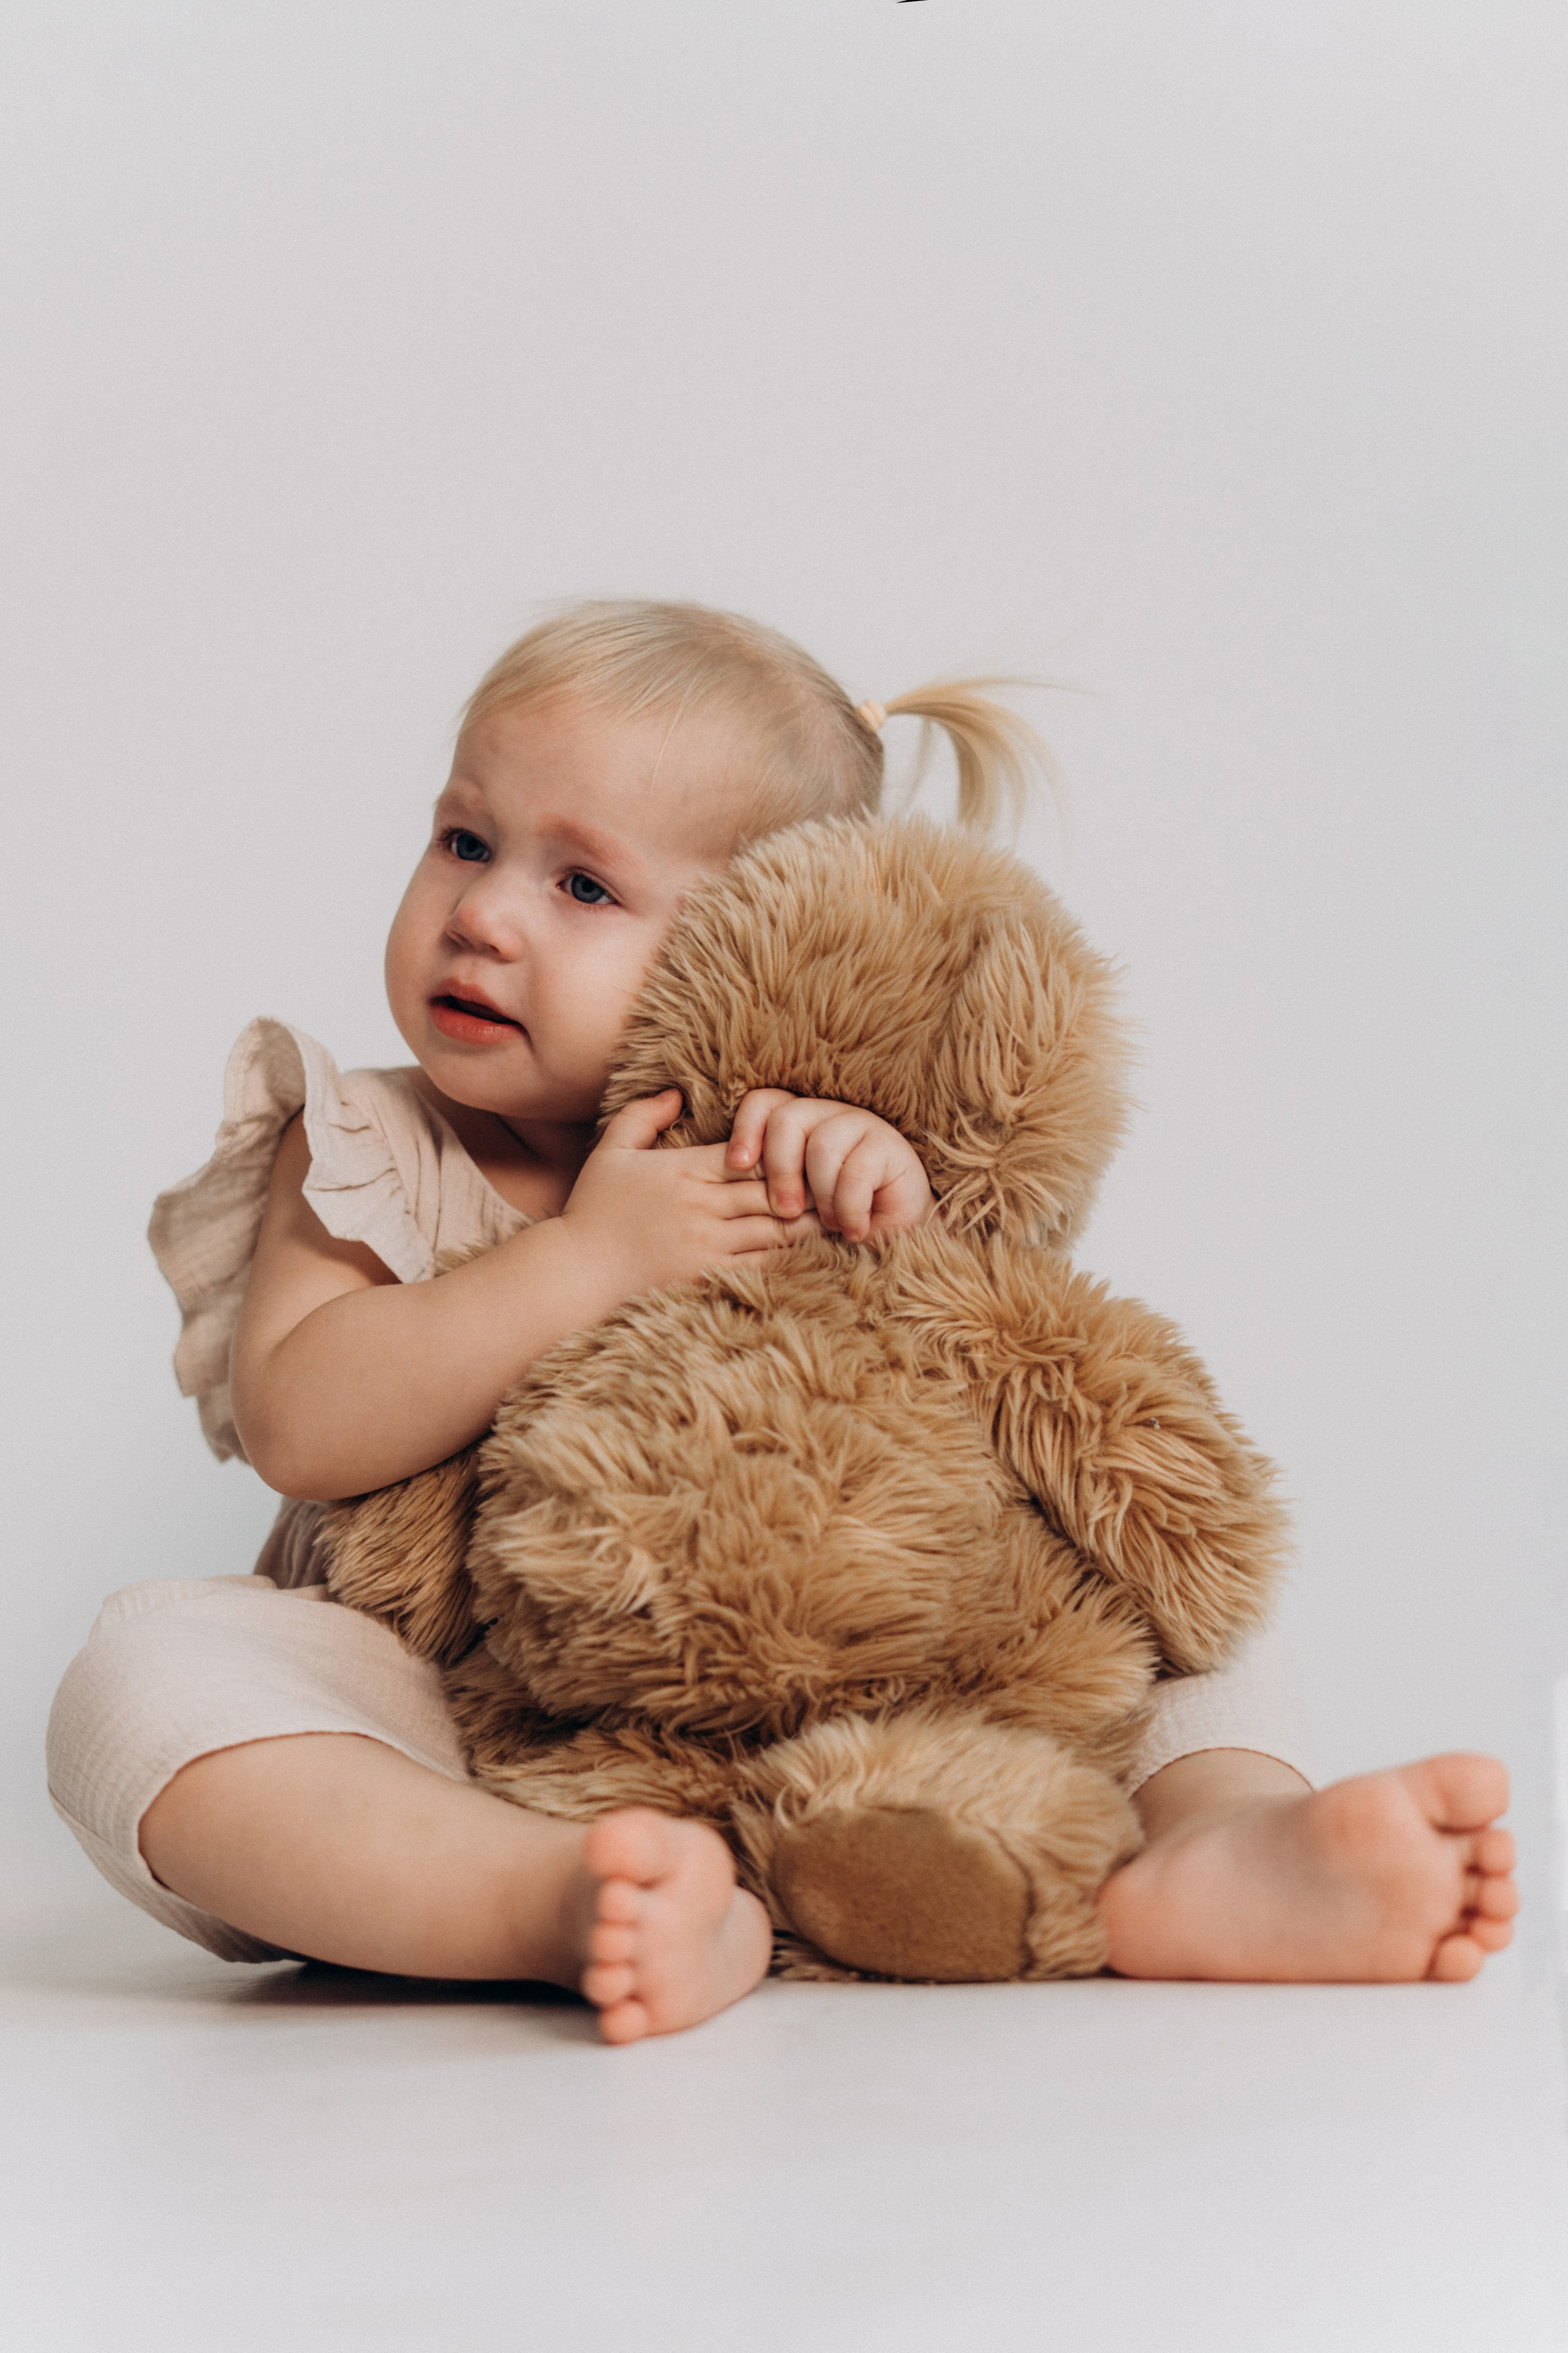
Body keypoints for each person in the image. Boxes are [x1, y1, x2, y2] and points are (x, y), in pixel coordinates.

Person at [47, 600, 1518, 2044]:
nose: (481, 917)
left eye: (583, 887)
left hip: (852, 1711)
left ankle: (1213, 1847)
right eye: (466, 840)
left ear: (750, 938)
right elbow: (301, 1424)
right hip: (459, 1723)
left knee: (1170, 1621)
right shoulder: (367, 1138)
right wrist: (581, 1262)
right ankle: (541, 1899)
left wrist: (894, 1207)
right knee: (142, 1683)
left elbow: (959, 1404)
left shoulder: (795, 1143)